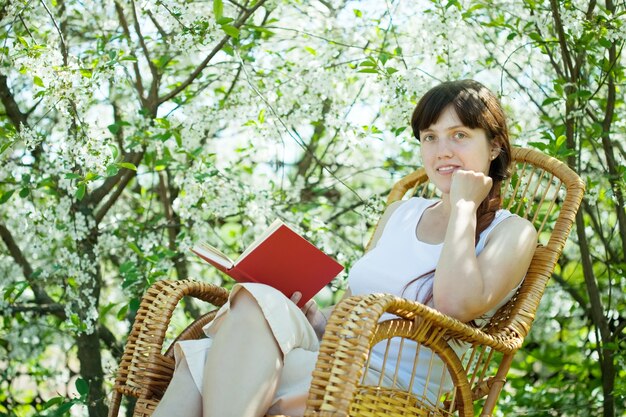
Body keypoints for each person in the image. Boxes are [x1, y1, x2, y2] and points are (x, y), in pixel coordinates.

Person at [151, 79, 538, 417]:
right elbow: (357, 302)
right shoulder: (402, 212)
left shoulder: (513, 232)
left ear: (493, 147)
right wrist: (317, 317)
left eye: (460, 135)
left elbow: (455, 305)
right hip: (336, 353)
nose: (442, 151)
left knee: (206, 362)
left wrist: (465, 207)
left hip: (387, 384)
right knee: (254, 299)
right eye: (430, 137)